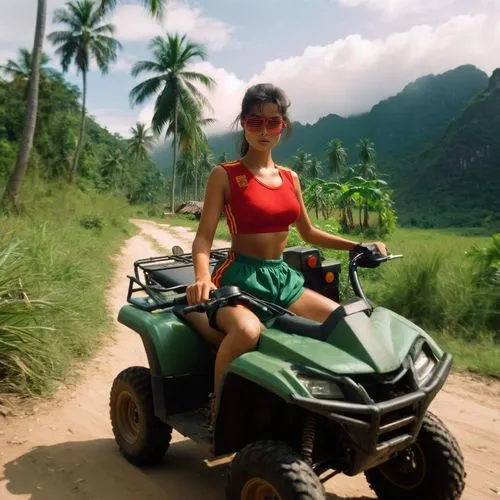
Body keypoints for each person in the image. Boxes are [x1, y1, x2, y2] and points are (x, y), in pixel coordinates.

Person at [186, 83, 387, 430]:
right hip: (239, 278)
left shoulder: (290, 177)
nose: (264, 131)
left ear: (283, 126)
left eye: (273, 123)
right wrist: (203, 277)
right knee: (248, 332)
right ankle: (218, 412)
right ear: (243, 124)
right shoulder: (226, 175)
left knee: (344, 322)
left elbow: (309, 233)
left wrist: (357, 246)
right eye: (255, 122)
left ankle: (348, 410)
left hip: (281, 278)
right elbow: (203, 238)